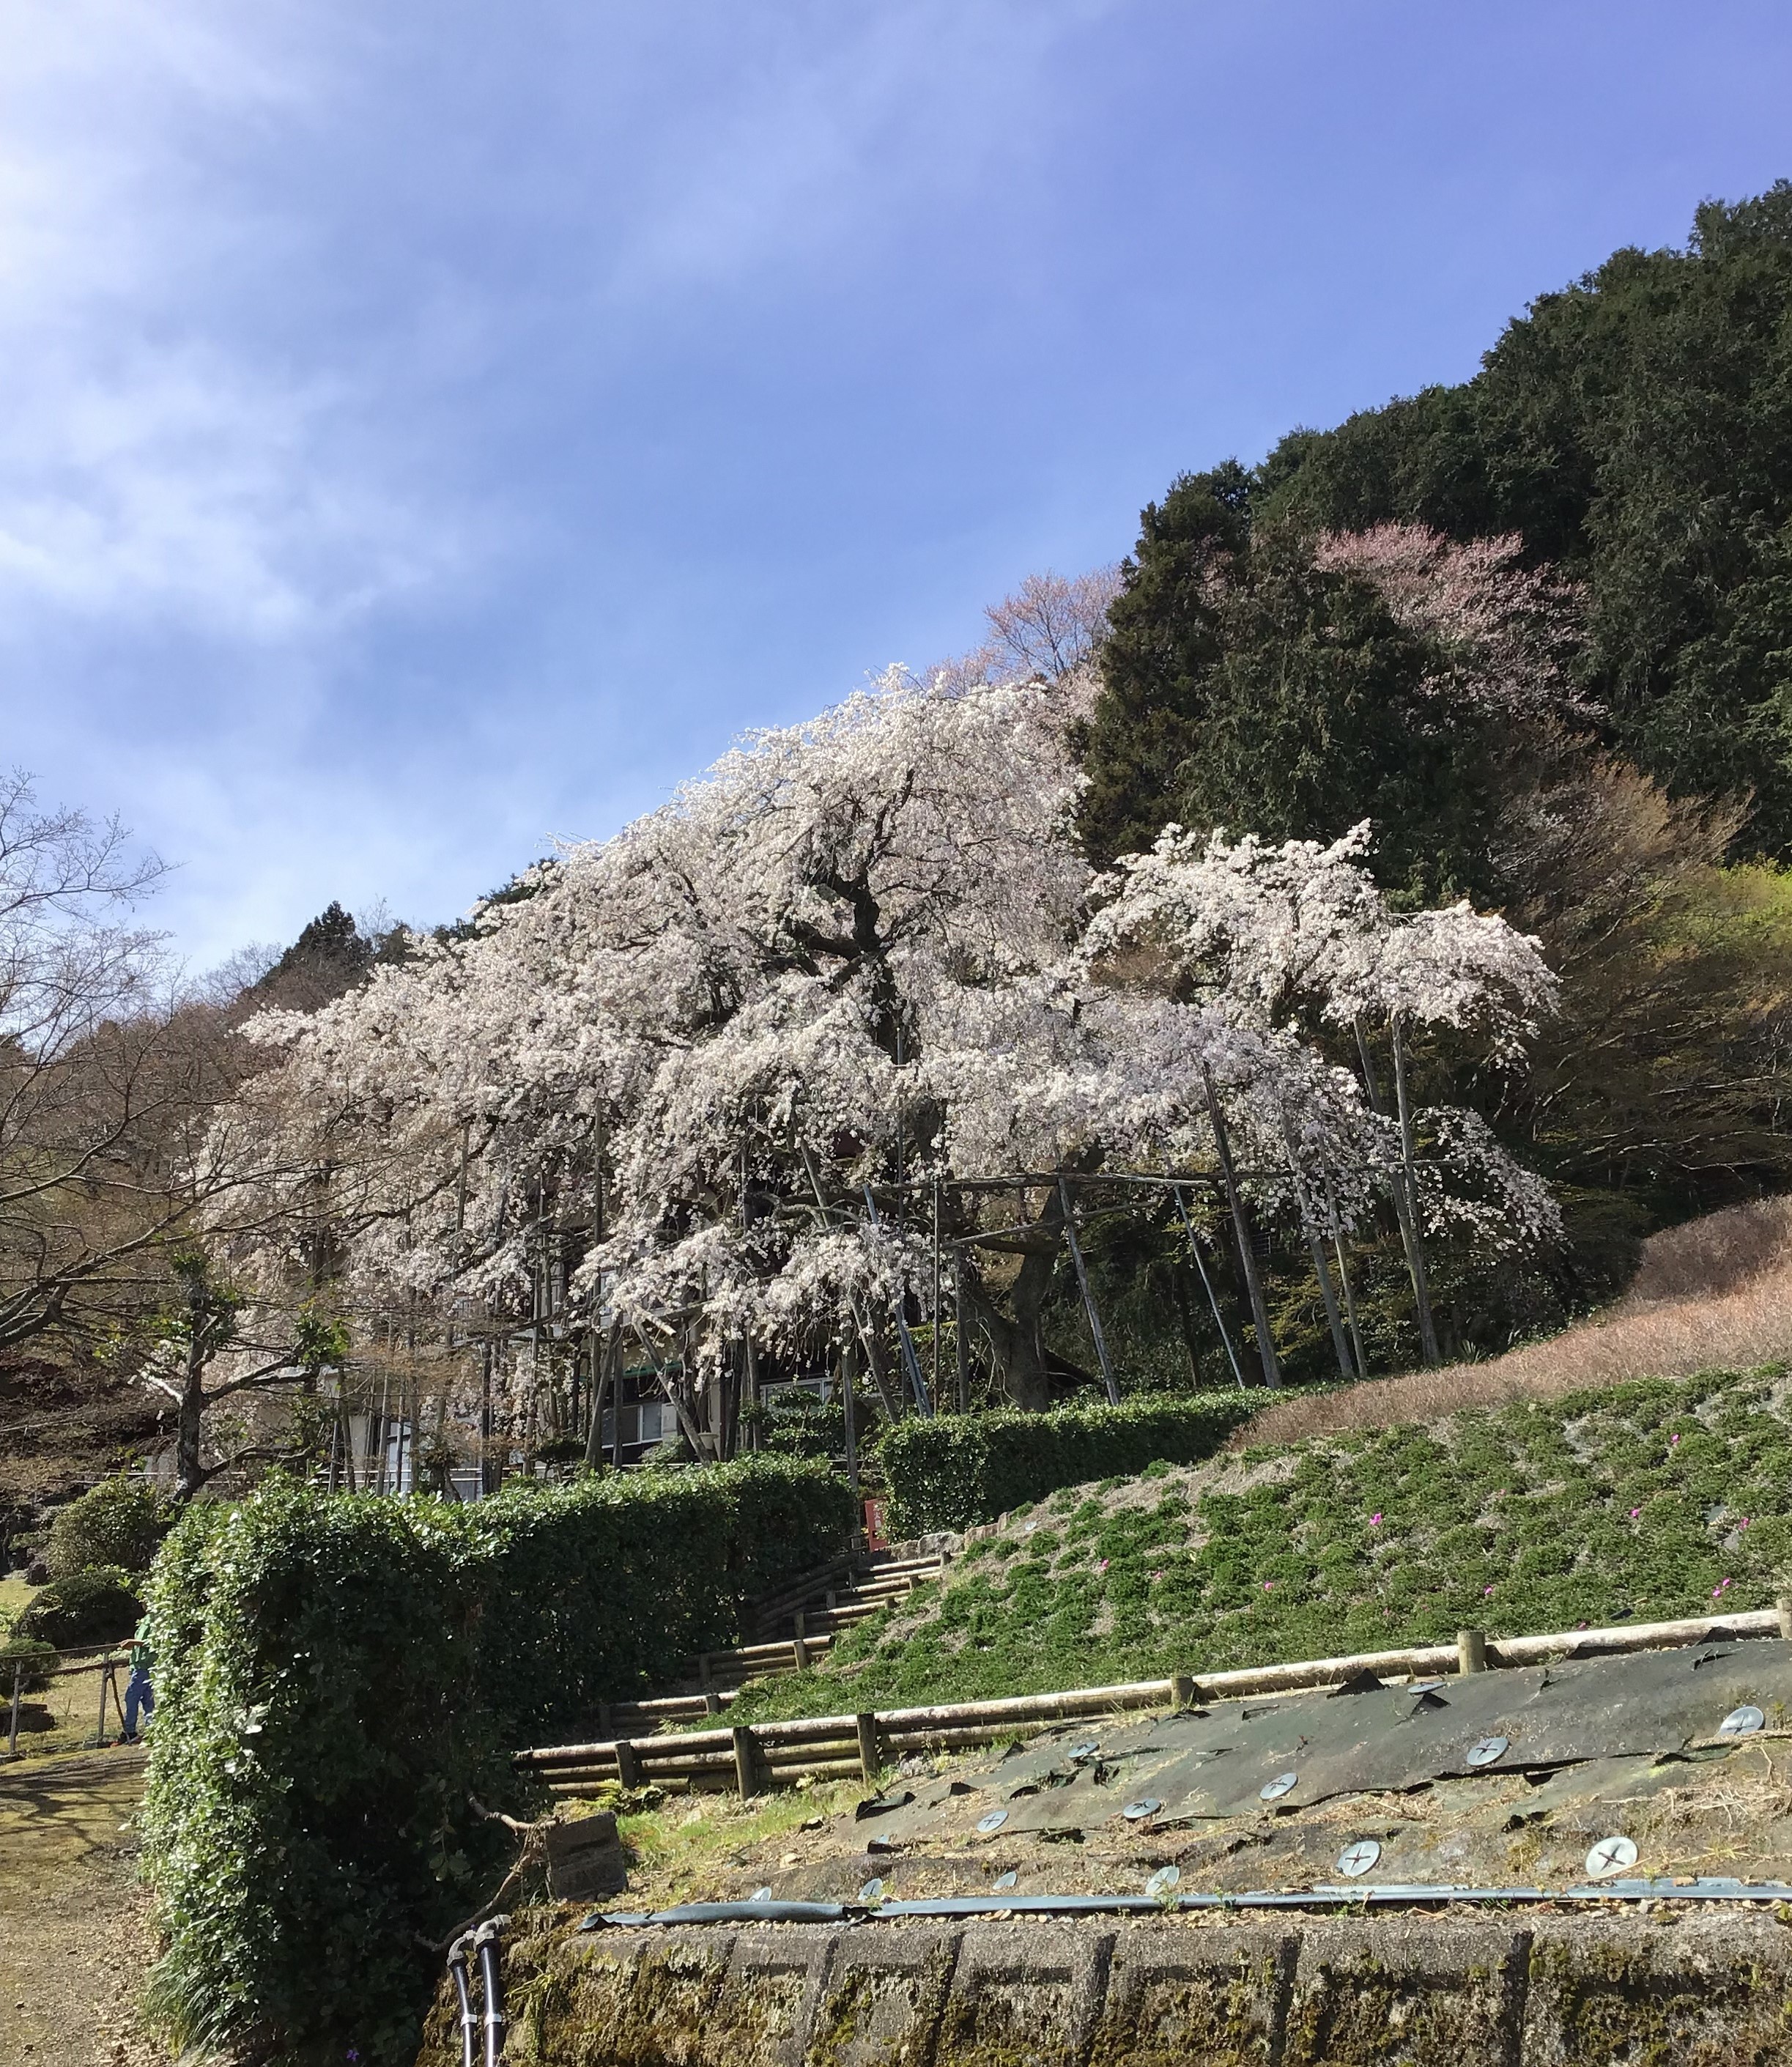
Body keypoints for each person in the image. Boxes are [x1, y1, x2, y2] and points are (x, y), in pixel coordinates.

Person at [120, 1619, 155, 1742]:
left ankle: (130, 1732)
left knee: (131, 1698)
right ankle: (152, 1731)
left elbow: (155, 1642)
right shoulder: (145, 1621)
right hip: (141, 1665)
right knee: (148, 1701)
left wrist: (134, 1642)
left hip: (144, 1667)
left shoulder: (155, 1620)